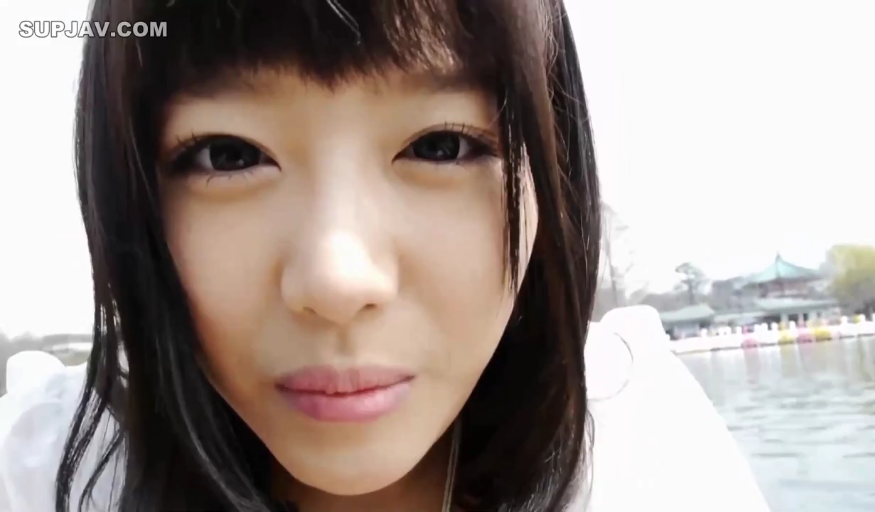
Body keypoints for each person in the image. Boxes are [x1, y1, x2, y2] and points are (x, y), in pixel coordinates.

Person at [0, 1, 771, 511]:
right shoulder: (49, 473)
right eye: (227, 155)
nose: (337, 279)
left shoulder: (639, 452)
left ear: (551, 174)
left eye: (441, 145)